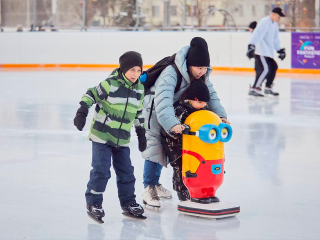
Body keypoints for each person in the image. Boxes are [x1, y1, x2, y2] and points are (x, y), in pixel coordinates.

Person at [141, 37, 229, 207]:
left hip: (173, 111)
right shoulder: (171, 72)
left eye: (205, 68)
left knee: (171, 148)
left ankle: (157, 184)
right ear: (189, 64)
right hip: (153, 109)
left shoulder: (202, 75)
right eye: (199, 67)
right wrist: (172, 124)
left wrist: (221, 117)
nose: (202, 71)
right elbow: (163, 101)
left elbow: (211, 97)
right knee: (155, 147)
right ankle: (149, 187)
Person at [73, 51, 147, 223]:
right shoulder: (110, 84)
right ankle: (94, 204)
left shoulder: (139, 89)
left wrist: (141, 132)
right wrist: (82, 111)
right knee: (101, 171)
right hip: (102, 136)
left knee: (127, 172)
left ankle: (128, 203)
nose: (135, 74)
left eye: (139, 70)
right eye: (132, 70)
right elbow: (90, 94)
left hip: (122, 139)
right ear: (123, 69)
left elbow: (138, 112)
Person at [160, 80, 211, 201]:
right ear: (191, 99)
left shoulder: (203, 107)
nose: (203, 105)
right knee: (179, 165)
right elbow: (169, 125)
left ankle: (200, 188)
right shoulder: (179, 109)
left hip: (191, 142)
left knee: (197, 164)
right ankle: (182, 191)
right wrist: (176, 128)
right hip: (173, 140)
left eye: (205, 102)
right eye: (200, 102)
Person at [246, 7, 286, 97]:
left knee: (274, 67)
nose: (279, 19)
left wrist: (279, 50)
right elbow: (257, 34)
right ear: (273, 14)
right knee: (265, 69)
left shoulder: (274, 24)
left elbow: (275, 40)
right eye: (279, 17)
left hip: (268, 51)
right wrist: (251, 45)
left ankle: (268, 87)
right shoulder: (265, 22)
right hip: (261, 51)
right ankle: (254, 88)